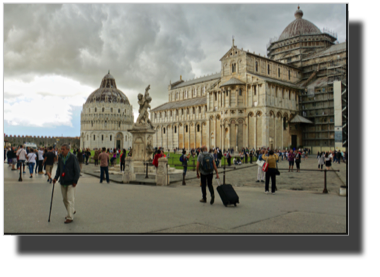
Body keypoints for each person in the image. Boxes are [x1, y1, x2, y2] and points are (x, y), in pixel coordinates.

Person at [53, 144, 81, 224]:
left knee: (70, 199)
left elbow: (77, 170)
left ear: (68, 150)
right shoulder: (61, 157)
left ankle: (70, 217)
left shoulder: (72, 157)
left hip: (71, 182)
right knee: (65, 199)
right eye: (61, 149)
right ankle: (71, 210)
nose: (62, 150)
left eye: (63, 149)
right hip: (63, 181)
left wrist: (75, 181)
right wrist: (55, 177)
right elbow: (59, 169)